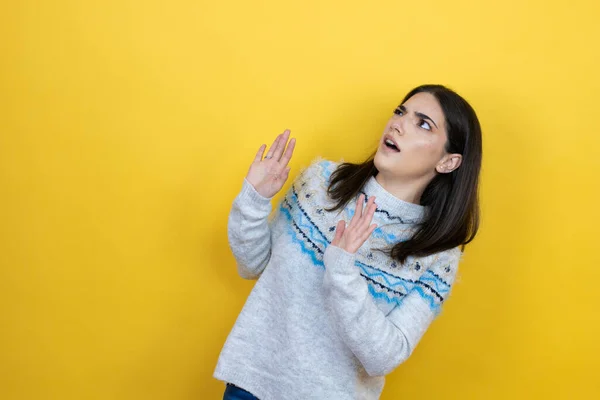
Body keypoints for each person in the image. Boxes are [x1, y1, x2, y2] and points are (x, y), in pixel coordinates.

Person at [214, 84, 483, 400]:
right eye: (400, 112)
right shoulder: (322, 183)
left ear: (448, 162)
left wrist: (341, 270)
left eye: (423, 124)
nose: (398, 124)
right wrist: (254, 200)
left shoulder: (438, 255)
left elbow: (382, 357)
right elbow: (253, 265)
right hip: (251, 384)